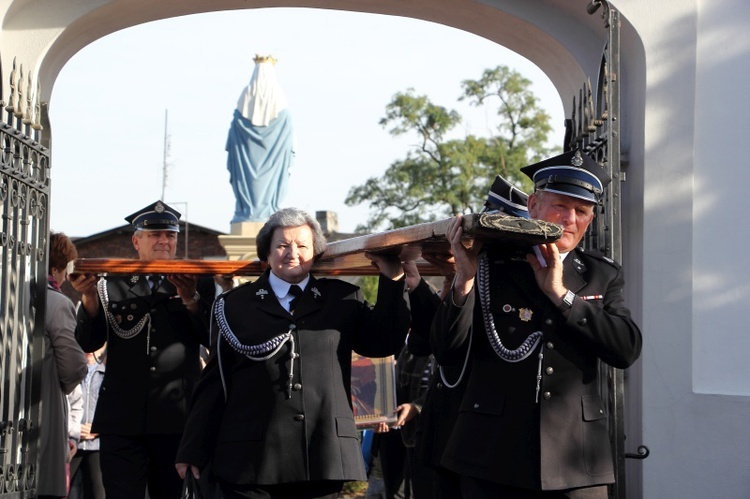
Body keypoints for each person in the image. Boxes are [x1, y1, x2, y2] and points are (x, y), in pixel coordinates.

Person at [432, 149, 643, 498]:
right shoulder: (488, 263)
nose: (570, 219)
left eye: (581, 211)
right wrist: (464, 280)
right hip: (493, 457)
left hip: (576, 460)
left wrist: (562, 295)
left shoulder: (600, 274)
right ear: (533, 206)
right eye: (560, 206)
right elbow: (446, 350)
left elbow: (626, 349)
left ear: (590, 220)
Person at [175, 207, 424, 499]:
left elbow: (383, 343)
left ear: (315, 253)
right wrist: (193, 447)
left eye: (302, 245)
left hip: (322, 456)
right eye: (282, 245)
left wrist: (392, 282)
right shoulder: (233, 305)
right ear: (265, 254)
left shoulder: (342, 298)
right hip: (251, 459)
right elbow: (215, 381)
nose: (292, 252)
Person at [69, 200, 215, 499]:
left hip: (177, 416)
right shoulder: (111, 283)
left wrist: (190, 299)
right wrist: (88, 299)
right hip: (123, 417)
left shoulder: (197, 279)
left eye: (170, 235)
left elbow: (210, 337)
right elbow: (88, 343)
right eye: (155, 235)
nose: (164, 241)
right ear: (136, 241)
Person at [38, 231, 88, 499]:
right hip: (44, 408)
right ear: (57, 268)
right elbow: (74, 366)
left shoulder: (10, 295)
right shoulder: (57, 302)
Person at [67, 344, 107, 499]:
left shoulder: (107, 373)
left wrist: (99, 428)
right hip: (72, 441)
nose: (90, 349)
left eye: (96, 345)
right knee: (65, 491)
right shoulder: (71, 372)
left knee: (98, 492)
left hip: (97, 445)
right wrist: (75, 429)